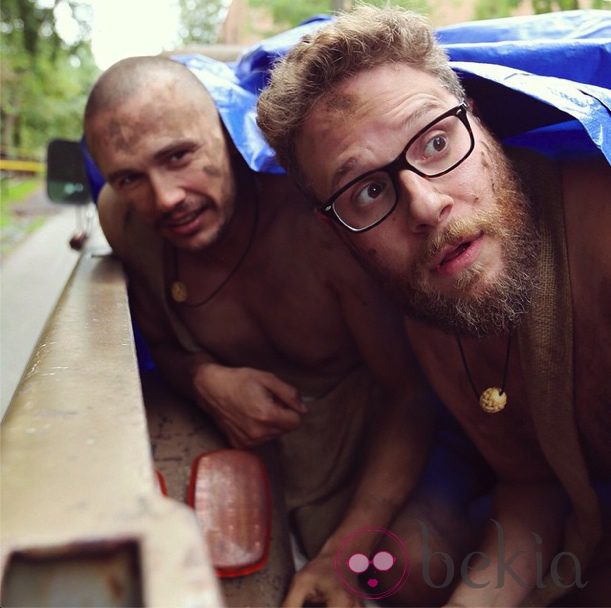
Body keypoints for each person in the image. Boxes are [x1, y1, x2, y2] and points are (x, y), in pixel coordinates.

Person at [257, 5, 611, 607]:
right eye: (369, 190)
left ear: (481, 121)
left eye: (438, 141)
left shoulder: (601, 239)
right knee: (399, 572)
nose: (423, 206)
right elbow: (531, 481)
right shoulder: (431, 294)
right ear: (337, 232)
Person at [83, 55, 449, 607]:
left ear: (224, 133)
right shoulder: (127, 220)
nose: (164, 198)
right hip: (253, 458)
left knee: (409, 572)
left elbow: (412, 394)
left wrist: (341, 555)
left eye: (179, 156)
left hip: (369, 454)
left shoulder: (321, 222)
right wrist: (205, 377)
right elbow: (161, 349)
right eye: (129, 177)